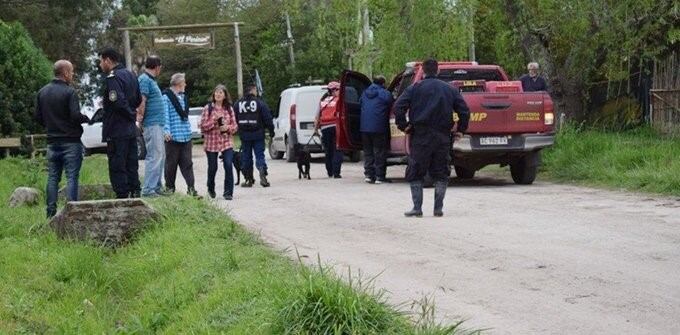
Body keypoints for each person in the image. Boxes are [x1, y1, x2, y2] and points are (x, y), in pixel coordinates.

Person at [394, 58, 470, 218]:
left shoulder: (414, 89)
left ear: (423, 72)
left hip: (420, 136)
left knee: (416, 172)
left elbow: (398, 107)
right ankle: (438, 208)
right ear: (437, 71)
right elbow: (464, 111)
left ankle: (417, 208)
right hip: (442, 136)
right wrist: (461, 130)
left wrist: (404, 126)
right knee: (441, 172)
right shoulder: (449, 89)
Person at [34, 60, 90, 218]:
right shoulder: (69, 92)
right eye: (71, 72)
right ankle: (72, 213)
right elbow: (74, 115)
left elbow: (37, 117)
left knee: (52, 177)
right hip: (70, 141)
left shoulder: (42, 92)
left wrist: (51, 125)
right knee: (72, 176)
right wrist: (85, 118)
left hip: (52, 142)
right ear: (65, 73)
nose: (72, 75)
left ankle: (50, 214)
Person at [98, 47, 142, 199]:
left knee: (118, 163)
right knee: (131, 162)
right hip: (130, 129)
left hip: (116, 128)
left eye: (101, 61)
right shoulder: (131, 75)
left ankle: (123, 195)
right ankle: (135, 191)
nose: (100, 64)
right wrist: (132, 113)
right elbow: (138, 99)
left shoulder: (113, 78)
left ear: (108, 60)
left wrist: (129, 114)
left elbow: (116, 101)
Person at [162, 73, 198, 197]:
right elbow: (165, 116)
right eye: (184, 83)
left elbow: (185, 117)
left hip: (185, 136)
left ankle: (191, 188)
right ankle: (170, 188)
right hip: (173, 137)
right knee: (171, 165)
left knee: (188, 164)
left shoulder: (183, 97)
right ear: (179, 83)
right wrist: (166, 131)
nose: (186, 85)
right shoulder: (166, 97)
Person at [200, 85, 238, 199]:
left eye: (221, 92)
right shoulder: (208, 108)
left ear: (225, 95)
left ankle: (228, 193)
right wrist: (213, 121)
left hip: (226, 141)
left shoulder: (229, 109)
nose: (218, 94)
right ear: (213, 95)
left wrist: (227, 127)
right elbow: (203, 126)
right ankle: (210, 189)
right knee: (212, 167)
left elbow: (235, 126)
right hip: (212, 142)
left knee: (228, 164)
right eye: (216, 92)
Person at [136, 56, 166, 197]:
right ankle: (148, 189)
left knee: (160, 155)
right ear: (157, 66)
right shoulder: (144, 80)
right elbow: (142, 100)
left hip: (157, 123)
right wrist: (140, 118)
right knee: (154, 155)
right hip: (151, 123)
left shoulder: (151, 80)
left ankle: (156, 186)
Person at [235, 84, 275, 187]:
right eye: (256, 90)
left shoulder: (238, 104)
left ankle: (248, 179)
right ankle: (262, 173)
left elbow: (234, 119)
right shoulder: (260, 103)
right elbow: (268, 119)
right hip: (258, 134)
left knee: (246, 157)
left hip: (244, 135)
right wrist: (271, 131)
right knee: (259, 156)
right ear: (252, 91)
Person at [359, 75, 393, 184]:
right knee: (379, 152)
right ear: (383, 84)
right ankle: (379, 176)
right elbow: (393, 104)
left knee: (368, 152)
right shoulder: (385, 94)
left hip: (364, 127)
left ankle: (369, 175)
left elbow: (360, 104)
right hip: (379, 127)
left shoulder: (364, 93)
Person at [314, 81, 343, 178]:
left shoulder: (323, 101)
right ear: (334, 90)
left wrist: (315, 130)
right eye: (339, 89)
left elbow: (317, 116)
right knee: (337, 149)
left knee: (328, 150)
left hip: (325, 128)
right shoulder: (339, 100)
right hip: (335, 127)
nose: (340, 91)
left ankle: (329, 172)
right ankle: (336, 172)